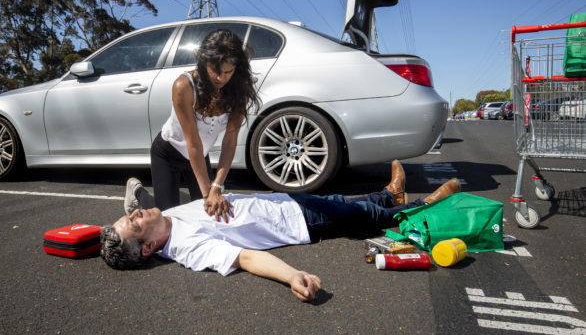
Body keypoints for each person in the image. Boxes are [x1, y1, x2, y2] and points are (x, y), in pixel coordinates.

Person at [101, 160, 461, 302]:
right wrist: (292, 276)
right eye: (133, 222)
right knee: (363, 215)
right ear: (148, 248)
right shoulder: (186, 248)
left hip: (280, 202)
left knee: (343, 199)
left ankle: (389, 192)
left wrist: (104, 238)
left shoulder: (162, 220)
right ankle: (426, 206)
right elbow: (244, 257)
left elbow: (127, 229)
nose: (135, 214)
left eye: (130, 215)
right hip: (297, 221)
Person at [136, 29, 261, 220]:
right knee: (167, 218)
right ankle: (138, 193)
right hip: (168, 153)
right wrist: (207, 195)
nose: (222, 78)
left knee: (207, 214)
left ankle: (182, 197)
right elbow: (192, 142)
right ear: (204, 64)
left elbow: (230, 140)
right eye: (216, 72)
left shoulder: (238, 92)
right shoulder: (184, 86)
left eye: (228, 72)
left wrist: (216, 187)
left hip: (199, 156)